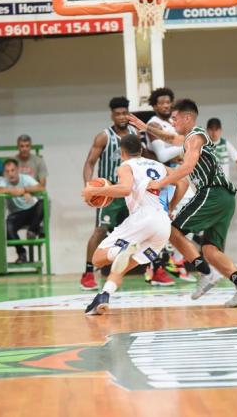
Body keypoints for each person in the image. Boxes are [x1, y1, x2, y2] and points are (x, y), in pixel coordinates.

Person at [144, 99, 237, 308]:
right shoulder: (189, 138)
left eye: (175, 118)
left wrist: (159, 183)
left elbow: (187, 168)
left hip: (212, 193)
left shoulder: (195, 137)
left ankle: (206, 273)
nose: (172, 122)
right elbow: (170, 138)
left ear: (187, 118)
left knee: (172, 231)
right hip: (225, 198)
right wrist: (145, 127)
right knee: (210, 250)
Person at [82, 135, 189, 315]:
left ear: (122, 152)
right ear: (141, 150)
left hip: (143, 217)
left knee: (97, 258)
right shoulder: (158, 165)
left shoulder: (125, 166)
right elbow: (183, 182)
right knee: (122, 267)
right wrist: (170, 207)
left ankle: (121, 251)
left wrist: (96, 190)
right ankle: (103, 296)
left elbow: (125, 189)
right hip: (163, 224)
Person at [128, 87, 189, 285]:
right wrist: (185, 146)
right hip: (162, 177)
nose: (166, 105)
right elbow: (162, 156)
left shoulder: (171, 124)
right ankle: (156, 268)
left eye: (168, 102)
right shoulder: (154, 124)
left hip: (176, 175)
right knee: (161, 223)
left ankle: (174, 261)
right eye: (161, 103)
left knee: (182, 221)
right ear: (154, 106)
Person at [81, 97, 140, 290]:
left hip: (130, 192)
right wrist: (89, 187)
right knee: (100, 230)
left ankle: (154, 269)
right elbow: (90, 163)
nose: (121, 117)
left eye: (124, 113)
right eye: (117, 114)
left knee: (142, 230)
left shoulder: (135, 134)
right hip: (109, 193)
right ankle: (88, 273)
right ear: (112, 115)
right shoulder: (104, 136)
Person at [0, 159, 45, 264]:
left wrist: (24, 190)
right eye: (7, 171)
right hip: (16, 214)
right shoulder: (2, 181)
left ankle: (32, 230)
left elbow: (40, 187)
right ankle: (22, 253)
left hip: (32, 210)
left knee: (42, 204)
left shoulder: (26, 178)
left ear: (18, 170)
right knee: (8, 227)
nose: (10, 174)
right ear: (5, 173)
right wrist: (14, 191)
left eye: (13, 170)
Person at [205, 118, 237, 188]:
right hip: (208, 185)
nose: (214, 133)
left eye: (216, 130)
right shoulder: (203, 145)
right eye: (211, 130)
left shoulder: (225, 144)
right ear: (207, 130)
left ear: (221, 130)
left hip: (224, 185)